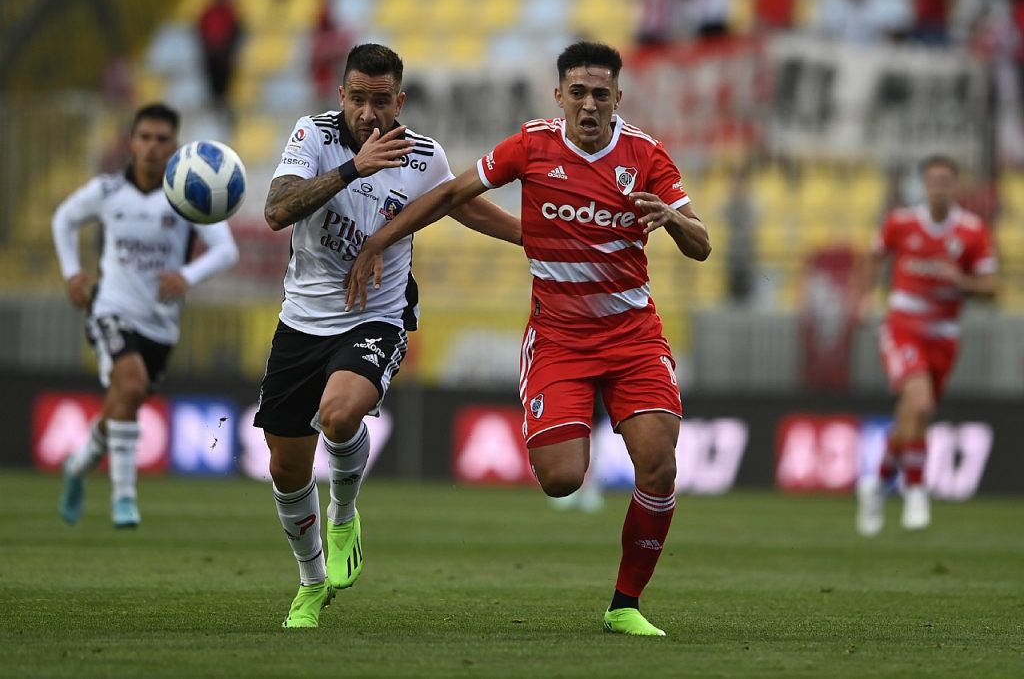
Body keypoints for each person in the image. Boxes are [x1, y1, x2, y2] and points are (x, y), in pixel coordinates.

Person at [347, 41, 712, 636]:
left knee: (659, 465)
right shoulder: (531, 145)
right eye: (578, 93)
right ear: (559, 95)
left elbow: (703, 246)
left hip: (632, 335)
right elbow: (448, 195)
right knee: (562, 478)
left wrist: (673, 220)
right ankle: (556, 423)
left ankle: (625, 605)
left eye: (601, 94)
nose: (589, 105)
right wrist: (378, 241)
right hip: (559, 338)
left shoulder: (646, 156)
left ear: (618, 97)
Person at [257, 43, 521, 629]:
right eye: (359, 99)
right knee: (286, 468)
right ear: (342, 96)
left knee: (341, 412)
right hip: (302, 319)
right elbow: (277, 211)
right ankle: (310, 581)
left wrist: (533, 237)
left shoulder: (423, 155)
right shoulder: (313, 137)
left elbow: (460, 206)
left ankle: (345, 510)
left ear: (399, 100)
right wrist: (354, 168)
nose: (370, 114)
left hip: (377, 313)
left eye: (382, 101)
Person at [52, 102, 240, 528]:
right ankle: (124, 497)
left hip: (161, 323)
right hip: (111, 309)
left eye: (162, 140)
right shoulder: (106, 192)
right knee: (131, 383)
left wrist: (186, 276)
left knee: (124, 399)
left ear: (175, 146)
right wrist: (71, 273)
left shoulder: (188, 196)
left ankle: (79, 466)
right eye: (145, 138)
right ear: (131, 142)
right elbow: (63, 219)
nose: (153, 148)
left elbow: (228, 250)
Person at [855, 155, 997, 537]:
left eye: (946, 181)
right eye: (933, 181)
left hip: (945, 333)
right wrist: (868, 298)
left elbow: (991, 287)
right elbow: (874, 256)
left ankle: (876, 483)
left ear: (956, 186)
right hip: (903, 323)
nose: (939, 188)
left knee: (912, 416)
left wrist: (961, 280)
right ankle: (915, 489)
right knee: (921, 404)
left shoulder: (972, 231)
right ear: (923, 185)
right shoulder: (901, 222)